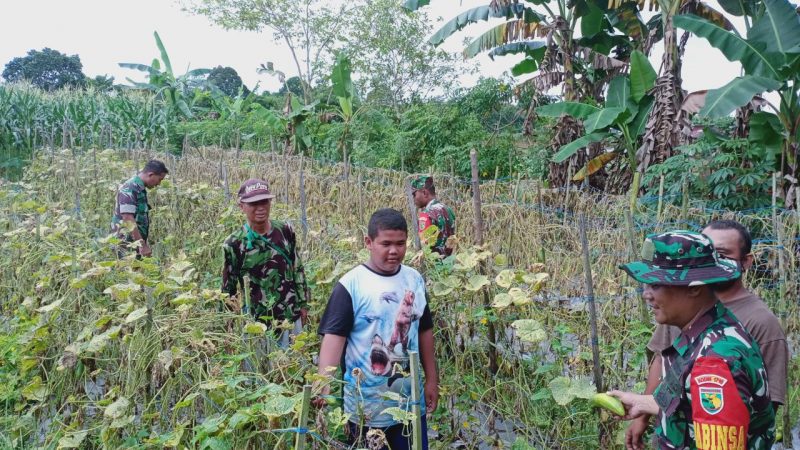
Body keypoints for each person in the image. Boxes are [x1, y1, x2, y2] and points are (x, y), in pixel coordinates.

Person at [626, 221, 788, 449]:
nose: (647, 295)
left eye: (656, 284)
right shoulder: (703, 331)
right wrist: (642, 403)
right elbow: (692, 402)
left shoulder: (715, 361)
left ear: (694, 287)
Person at [315, 208, 439, 450]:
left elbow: (424, 330)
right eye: (386, 244)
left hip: (410, 404)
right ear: (368, 242)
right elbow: (334, 339)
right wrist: (324, 384)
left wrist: (432, 379)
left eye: (401, 243)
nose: (394, 251)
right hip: (365, 409)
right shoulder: (351, 285)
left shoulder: (414, 279)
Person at [221, 179, 310, 345]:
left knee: (292, 366)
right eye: (254, 203)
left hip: (289, 316)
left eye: (264, 201)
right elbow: (228, 290)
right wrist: (230, 323)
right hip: (255, 323)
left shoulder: (285, 230)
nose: (260, 208)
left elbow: (297, 268)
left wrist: (303, 304)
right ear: (242, 206)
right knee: (258, 369)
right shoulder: (234, 243)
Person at [111, 159, 168, 257]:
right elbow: (128, 218)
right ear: (151, 174)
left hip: (133, 243)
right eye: (159, 179)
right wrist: (142, 245)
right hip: (125, 244)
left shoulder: (139, 188)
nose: (159, 184)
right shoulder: (130, 188)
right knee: (126, 271)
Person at [411, 175, 455, 256]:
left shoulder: (426, 214)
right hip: (449, 261)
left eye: (414, 194)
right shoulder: (448, 209)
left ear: (424, 193)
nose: (413, 198)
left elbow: (424, 244)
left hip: (434, 262)